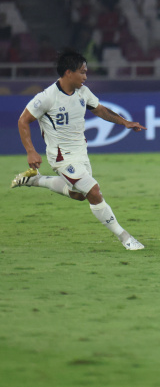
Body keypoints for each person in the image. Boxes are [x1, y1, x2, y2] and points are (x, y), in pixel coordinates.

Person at [11, 49, 147, 250]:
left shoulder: (83, 92)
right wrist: (31, 150)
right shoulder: (47, 97)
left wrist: (124, 122)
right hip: (61, 158)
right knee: (94, 191)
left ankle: (36, 179)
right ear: (68, 72)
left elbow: (100, 109)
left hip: (80, 153)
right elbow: (23, 120)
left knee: (79, 195)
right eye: (82, 72)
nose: (85, 76)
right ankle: (125, 237)